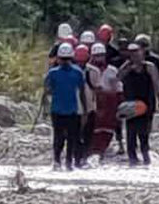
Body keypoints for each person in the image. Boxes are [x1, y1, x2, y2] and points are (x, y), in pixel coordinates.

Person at [42, 43, 88, 171]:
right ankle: (56, 161)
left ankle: (69, 162)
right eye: (63, 59)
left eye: (67, 59)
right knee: (58, 137)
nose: (65, 61)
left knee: (72, 138)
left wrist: (84, 110)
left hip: (72, 110)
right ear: (58, 59)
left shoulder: (78, 73)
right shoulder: (52, 73)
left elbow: (82, 92)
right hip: (57, 110)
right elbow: (47, 92)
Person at [118, 44, 159, 166]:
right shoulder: (126, 67)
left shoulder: (149, 67)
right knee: (130, 134)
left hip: (147, 104)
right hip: (130, 105)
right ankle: (132, 160)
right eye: (131, 53)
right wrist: (128, 68)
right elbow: (118, 78)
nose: (134, 55)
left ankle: (146, 158)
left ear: (142, 52)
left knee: (144, 134)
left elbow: (156, 83)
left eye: (136, 52)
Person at [88, 41, 122, 156]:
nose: (99, 58)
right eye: (97, 55)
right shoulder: (89, 70)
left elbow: (118, 88)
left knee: (108, 128)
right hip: (93, 102)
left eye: (101, 55)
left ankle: (104, 149)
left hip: (109, 104)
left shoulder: (112, 71)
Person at [73, 43, 96, 168]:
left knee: (85, 135)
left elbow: (96, 88)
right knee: (78, 135)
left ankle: (82, 158)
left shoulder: (92, 71)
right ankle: (78, 158)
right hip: (79, 108)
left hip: (88, 107)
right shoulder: (74, 72)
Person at [135, 33, 159, 98]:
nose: (142, 47)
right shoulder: (132, 57)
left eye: (144, 44)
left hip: (150, 89)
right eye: (140, 44)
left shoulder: (154, 59)